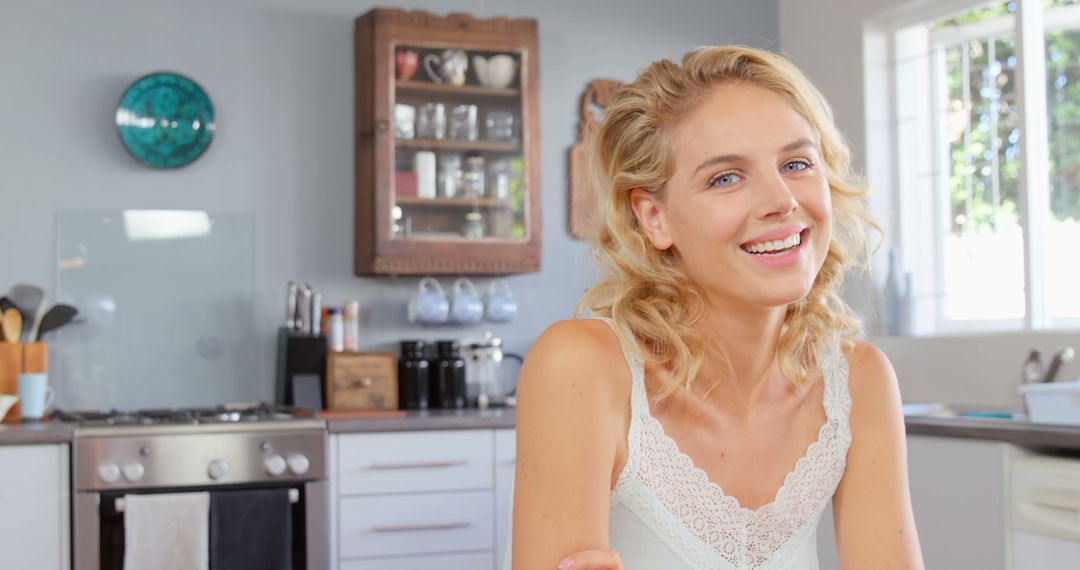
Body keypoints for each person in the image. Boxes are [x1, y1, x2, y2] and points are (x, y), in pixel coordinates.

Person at [506, 45, 925, 569]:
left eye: (796, 163)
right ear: (654, 217)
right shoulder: (582, 367)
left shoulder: (858, 378)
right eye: (726, 177)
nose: (782, 199)